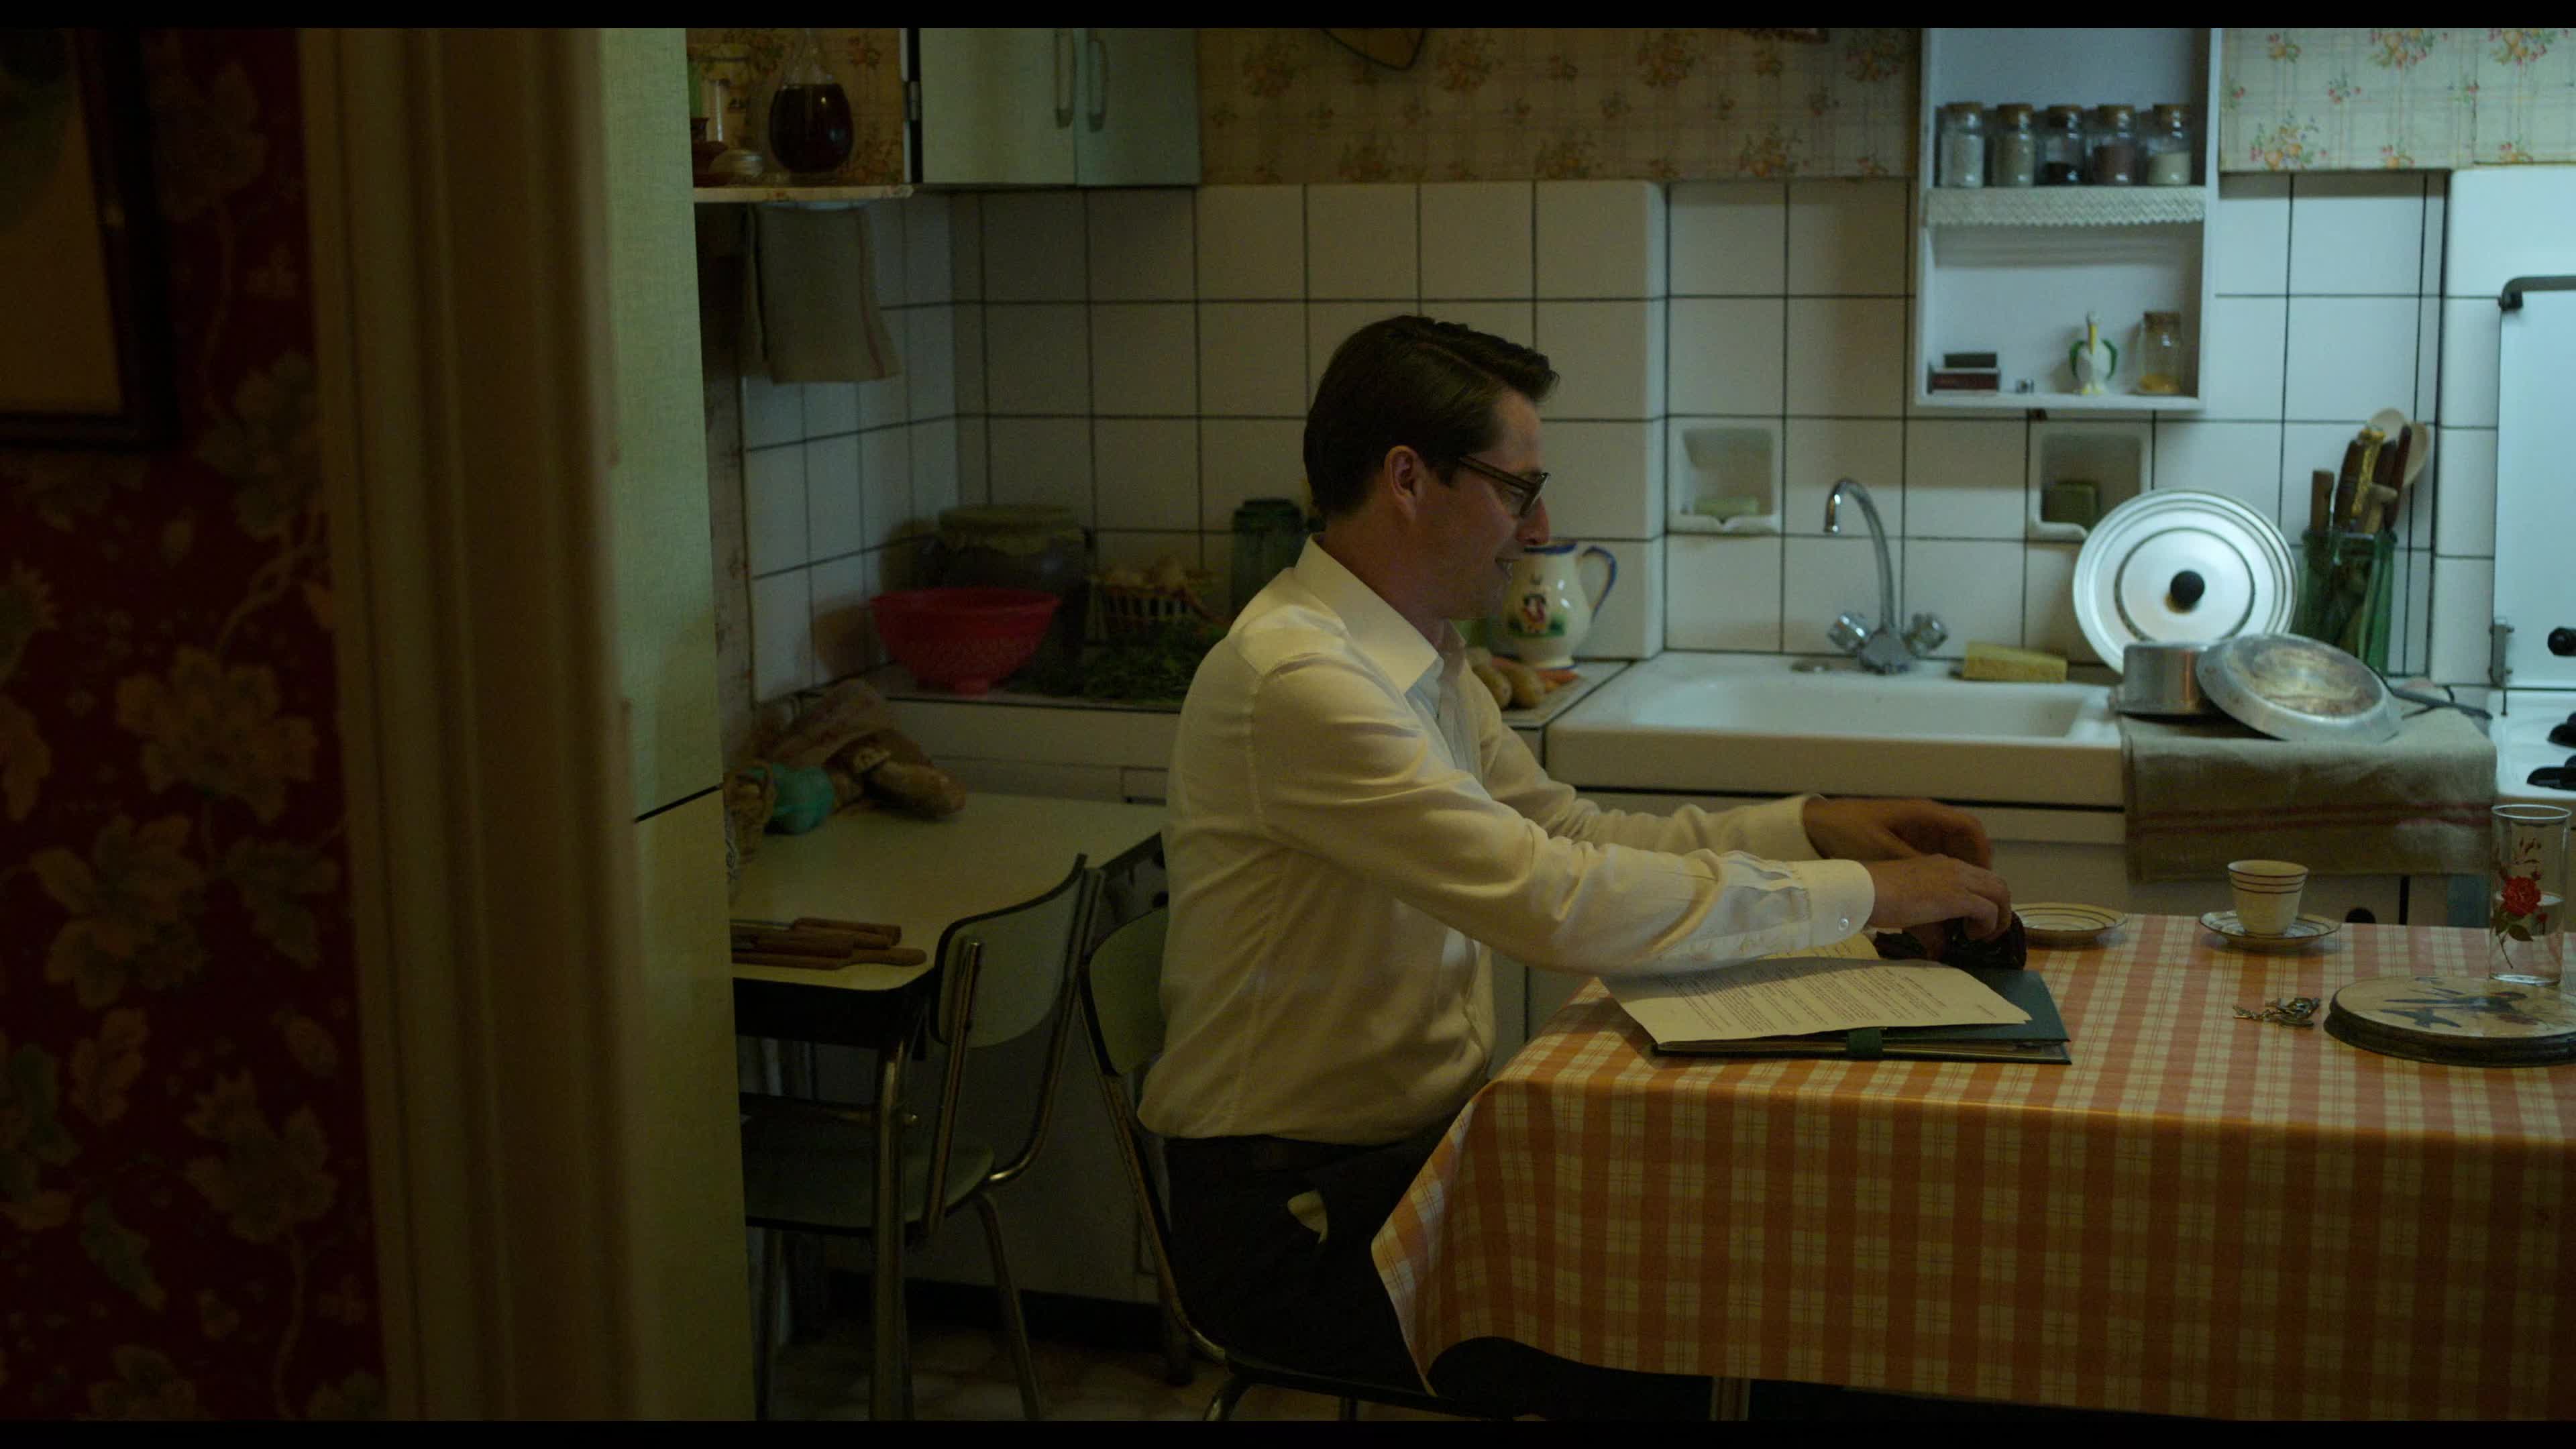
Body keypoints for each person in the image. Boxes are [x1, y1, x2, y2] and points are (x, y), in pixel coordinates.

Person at [1141, 315, 2012, 1420]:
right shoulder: (1301, 680)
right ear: (1408, 479)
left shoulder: (1418, 655)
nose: (1539, 526)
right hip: (1294, 1222)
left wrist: (1816, 826)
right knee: (1710, 1340)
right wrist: (1873, 894)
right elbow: (1554, 902)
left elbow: (1572, 833)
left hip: (1405, 1162)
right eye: (1518, 489)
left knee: (1754, 1280)